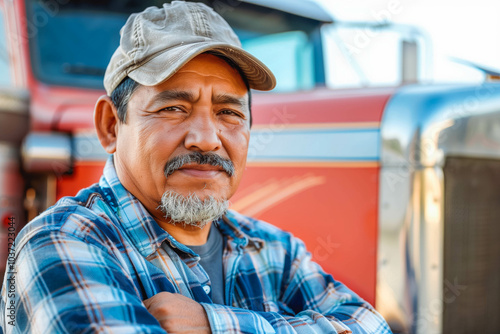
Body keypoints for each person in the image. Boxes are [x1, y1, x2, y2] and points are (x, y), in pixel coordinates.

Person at [0, 2, 392, 333]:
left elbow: (371, 326)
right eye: (173, 108)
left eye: (228, 112)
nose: (206, 138)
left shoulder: (274, 250)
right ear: (109, 126)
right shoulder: (61, 243)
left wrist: (214, 324)